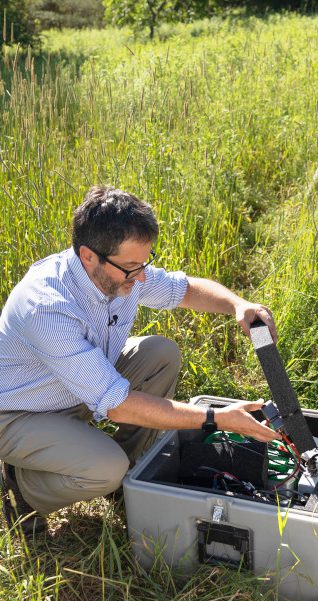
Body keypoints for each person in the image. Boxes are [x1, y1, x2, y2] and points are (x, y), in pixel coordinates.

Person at [0, 186, 278, 535]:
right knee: (105, 467)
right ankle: (23, 488)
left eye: (144, 262)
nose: (143, 275)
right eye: (132, 267)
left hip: (77, 389)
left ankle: (124, 476)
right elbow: (118, 404)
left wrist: (237, 304)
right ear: (89, 256)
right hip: (20, 414)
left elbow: (184, 289)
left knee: (160, 354)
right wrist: (216, 418)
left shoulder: (120, 272)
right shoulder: (46, 307)